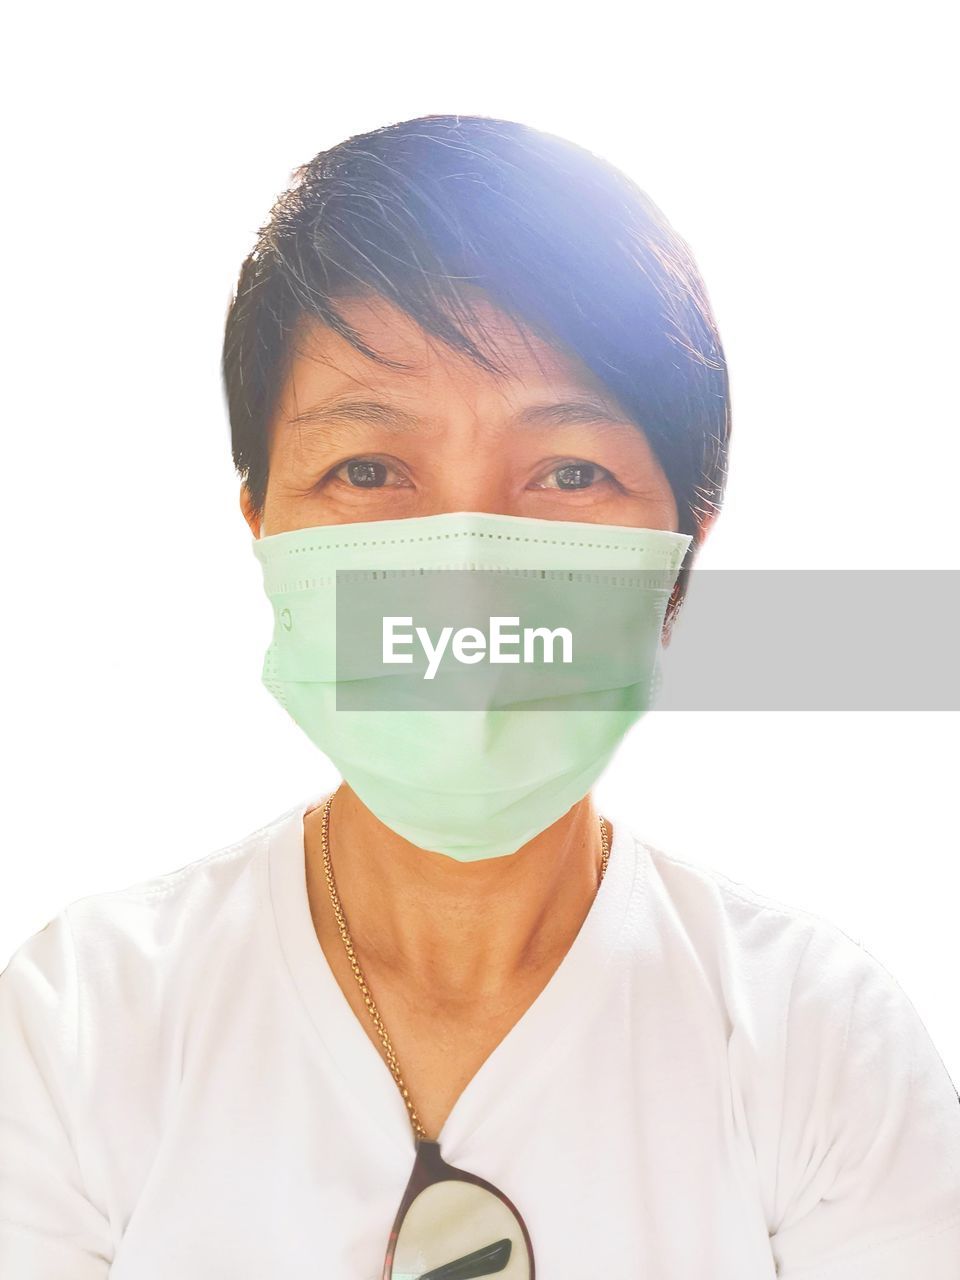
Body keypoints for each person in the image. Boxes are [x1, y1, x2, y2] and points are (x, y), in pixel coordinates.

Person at [2, 114, 958, 1280]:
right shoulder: (75, 1027)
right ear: (262, 526)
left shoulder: (820, 1040)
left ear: (681, 550)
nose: (464, 568)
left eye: (569, 472)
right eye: (368, 469)